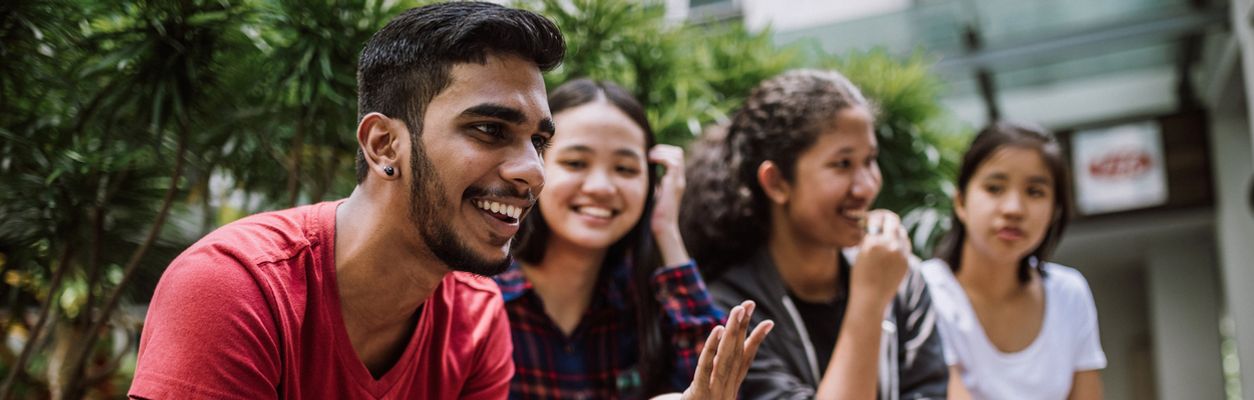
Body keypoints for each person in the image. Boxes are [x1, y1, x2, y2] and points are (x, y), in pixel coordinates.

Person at [128, 3, 564, 398]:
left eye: (539, 141)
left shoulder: (476, 320)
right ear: (384, 145)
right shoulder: (236, 289)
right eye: (490, 129)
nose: (534, 171)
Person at [497, 79, 773, 400]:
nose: (601, 186)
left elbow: (718, 388)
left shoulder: (646, 302)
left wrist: (666, 230)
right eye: (575, 163)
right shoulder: (480, 298)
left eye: (625, 169)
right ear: (536, 166)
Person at [682, 69, 949, 399]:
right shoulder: (732, 315)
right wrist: (868, 301)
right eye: (842, 164)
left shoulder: (902, 280)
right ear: (777, 182)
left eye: (870, 160)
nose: (866, 186)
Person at [918, 122, 1106, 400]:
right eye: (995, 188)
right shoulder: (923, 290)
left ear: (1055, 210)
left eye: (1034, 192)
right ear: (960, 201)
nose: (1014, 209)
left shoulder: (1069, 293)